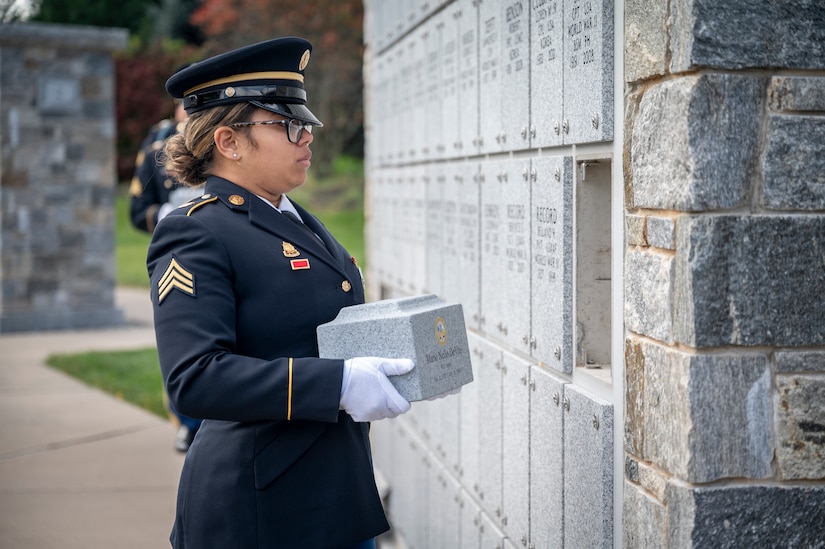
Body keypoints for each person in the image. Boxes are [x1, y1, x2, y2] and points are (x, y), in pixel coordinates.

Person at [147, 37, 414, 548]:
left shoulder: (292, 217)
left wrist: (405, 362)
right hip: (259, 509)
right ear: (229, 142)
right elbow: (195, 378)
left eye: (306, 122)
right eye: (289, 124)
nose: (308, 135)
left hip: (335, 495)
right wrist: (337, 384)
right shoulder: (197, 231)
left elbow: (313, 329)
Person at [129, 94, 203, 452]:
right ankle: (188, 422)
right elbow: (136, 209)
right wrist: (167, 215)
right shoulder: (159, 141)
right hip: (179, 252)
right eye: (184, 104)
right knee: (183, 337)